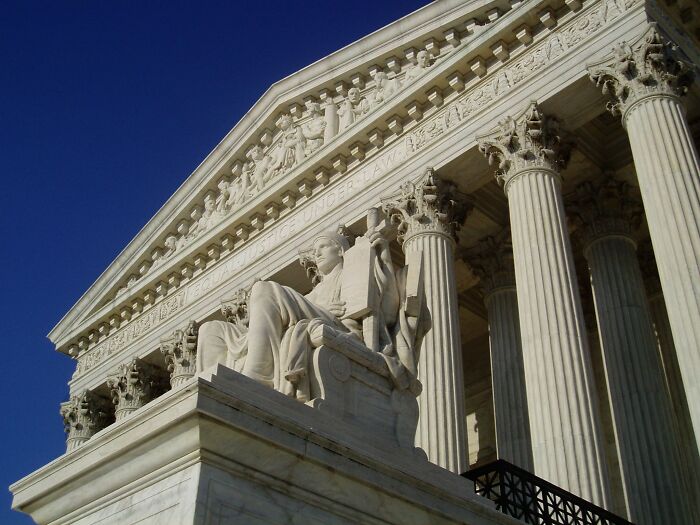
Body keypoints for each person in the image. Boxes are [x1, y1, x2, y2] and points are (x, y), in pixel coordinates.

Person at [196, 224, 421, 399]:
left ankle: (258, 374)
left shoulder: (354, 275)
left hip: (342, 328)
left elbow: (389, 311)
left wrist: (382, 256)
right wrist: (319, 309)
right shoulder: (313, 293)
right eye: (314, 250)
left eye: (322, 246)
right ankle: (209, 391)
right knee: (212, 329)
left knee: (265, 289)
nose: (317, 253)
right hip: (316, 320)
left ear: (341, 249)